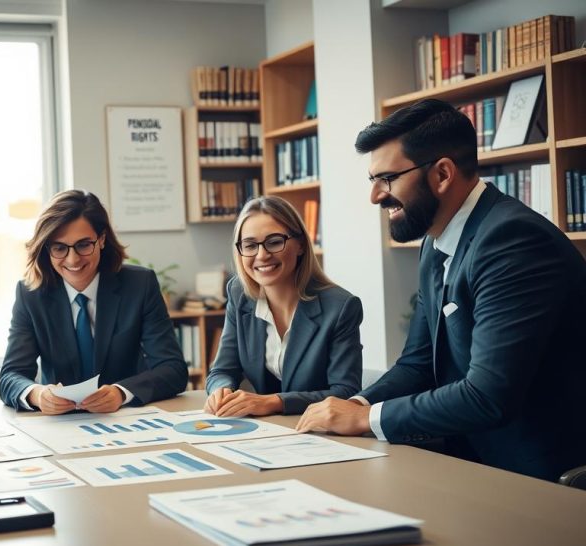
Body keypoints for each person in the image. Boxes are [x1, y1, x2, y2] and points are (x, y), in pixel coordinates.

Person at [296, 98, 586, 482]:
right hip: (470, 458)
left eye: (387, 179)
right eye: (373, 181)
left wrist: (366, 418)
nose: (376, 196)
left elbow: (487, 396)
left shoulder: (512, 242)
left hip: (541, 476)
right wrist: (355, 403)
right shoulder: (437, 240)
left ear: (443, 174)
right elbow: (418, 363)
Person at [0, 189, 188, 414]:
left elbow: (173, 369)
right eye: (59, 248)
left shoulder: (139, 285)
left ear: (102, 240)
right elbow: (10, 377)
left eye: (83, 245)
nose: (73, 259)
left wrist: (121, 392)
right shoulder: (31, 295)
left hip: (125, 419)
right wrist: (38, 395)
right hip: (59, 425)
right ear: (46, 249)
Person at [204, 196, 363, 417]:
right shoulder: (239, 294)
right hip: (267, 432)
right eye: (250, 245)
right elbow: (222, 370)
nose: (261, 255)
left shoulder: (340, 307)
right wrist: (220, 390)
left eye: (275, 241)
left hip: (320, 431)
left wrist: (275, 402)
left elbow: (346, 392)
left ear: (299, 245)